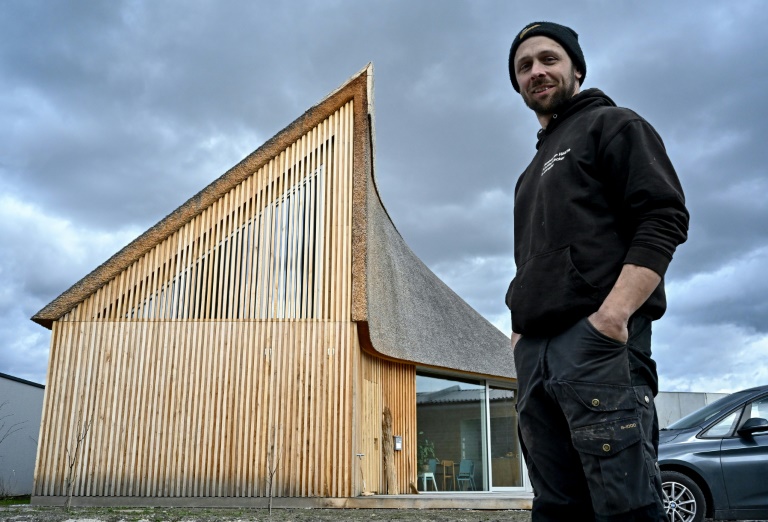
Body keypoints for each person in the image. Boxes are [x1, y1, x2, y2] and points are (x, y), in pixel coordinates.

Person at [505, 22, 689, 521]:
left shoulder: (614, 124)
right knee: (556, 508)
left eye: (549, 59)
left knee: (625, 509)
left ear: (577, 70)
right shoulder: (529, 174)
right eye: (524, 66)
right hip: (537, 359)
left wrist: (612, 317)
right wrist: (520, 336)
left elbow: (664, 217)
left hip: (598, 349)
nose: (536, 71)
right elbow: (529, 261)